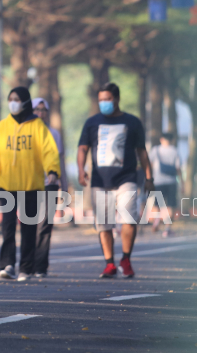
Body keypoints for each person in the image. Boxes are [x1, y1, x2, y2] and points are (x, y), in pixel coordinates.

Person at [77, 82, 154, 279]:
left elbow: (142, 152)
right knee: (104, 224)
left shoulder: (132, 122)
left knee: (129, 218)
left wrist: (148, 177)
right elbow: (83, 148)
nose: (104, 103)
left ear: (117, 99)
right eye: (101, 99)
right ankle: (109, 263)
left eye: (107, 99)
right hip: (100, 181)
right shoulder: (92, 123)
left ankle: (126, 259)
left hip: (126, 178)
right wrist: (81, 169)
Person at [0, 87, 60, 281]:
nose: (13, 103)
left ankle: (26, 267)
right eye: (10, 99)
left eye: (17, 99)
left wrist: (52, 170)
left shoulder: (37, 126)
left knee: (28, 229)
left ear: (25, 102)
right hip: (7, 186)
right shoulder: (2, 127)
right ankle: (7, 265)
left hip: (31, 186)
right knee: (7, 227)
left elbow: (49, 150)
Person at [32, 98, 69, 277]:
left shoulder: (54, 134)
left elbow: (61, 161)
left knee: (45, 225)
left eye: (43, 109)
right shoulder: (26, 132)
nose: (40, 113)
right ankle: (28, 264)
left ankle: (40, 266)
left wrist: (65, 185)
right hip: (29, 185)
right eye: (36, 109)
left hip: (50, 185)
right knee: (29, 225)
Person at [148, 132, 182, 237]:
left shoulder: (155, 150)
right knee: (170, 205)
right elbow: (178, 168)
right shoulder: (175, 151)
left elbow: (149, 163)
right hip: (171, 181)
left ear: (161, 139)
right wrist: (182, 182)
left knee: (158, 204)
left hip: (158, 181)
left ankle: (157, 220)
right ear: (171, 140)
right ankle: (167, 229)